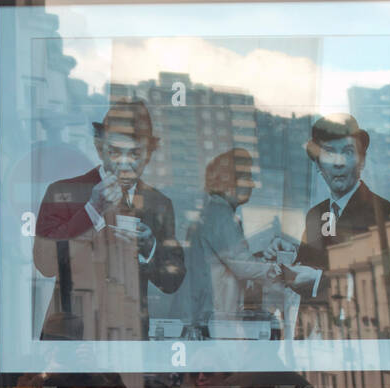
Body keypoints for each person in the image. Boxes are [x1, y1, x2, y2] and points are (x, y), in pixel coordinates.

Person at [33, 99, 185, 341]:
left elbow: (172, 281)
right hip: (71, 338)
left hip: (129, 339)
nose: (124, 163)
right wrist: (92, 210)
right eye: (115, 151)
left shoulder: (159, 204)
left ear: (148, 155)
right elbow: (45, 264)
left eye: (134, 153)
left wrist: (150, 246)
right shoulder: (63, 192)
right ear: (99, 147)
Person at [280, 114, 390, 339]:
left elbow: (385, 287)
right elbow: (307, 272)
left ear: (362, 161)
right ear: (317, 163)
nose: (338, 162)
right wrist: (289, 257)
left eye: (347, 152)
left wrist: (317, 281)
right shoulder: (315, 215)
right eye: (328, 152)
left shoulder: (384, 213)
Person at [184, 148, 280, 335]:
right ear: (229, 182)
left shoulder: (214, 214)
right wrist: (278, 270)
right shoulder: (220, 215)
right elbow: (243, 265)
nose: (253, 184)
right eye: (248, 177)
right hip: (215, 323)